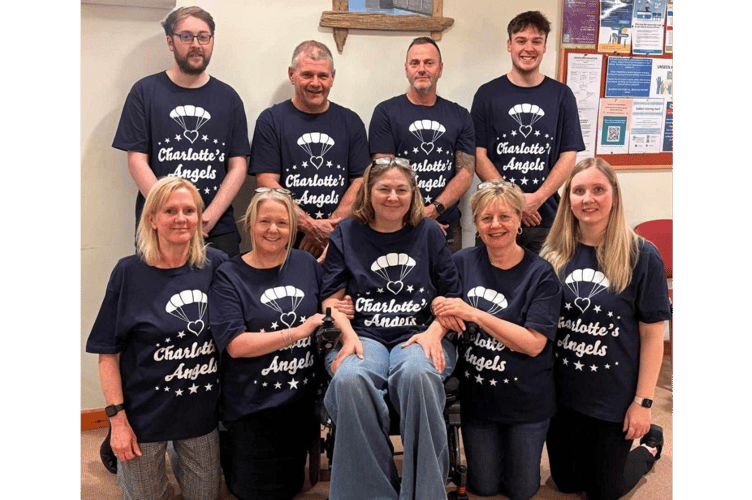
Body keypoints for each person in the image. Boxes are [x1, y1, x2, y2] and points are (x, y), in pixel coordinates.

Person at [321, 158, 461, 500]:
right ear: (368, 192)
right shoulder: (346, 232)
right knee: (350, 378)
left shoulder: (429, 232)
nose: (393, 197)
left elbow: (452, 295)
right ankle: (371, 493)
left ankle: (424, 493)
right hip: (364, 335)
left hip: (418, 334)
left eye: (402, 189)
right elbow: (329, 300)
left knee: (417, 373)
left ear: (413, 194)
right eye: (384, 188)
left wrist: (434, 333)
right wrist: (348, 336)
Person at [86, 177, 228, 500]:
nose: (181, 218)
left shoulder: (216, 265)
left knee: (206, 496)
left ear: (199, 216)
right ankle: (117, 450)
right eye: (170, 210)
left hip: (198, 412)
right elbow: (107, 352)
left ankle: (178, 454)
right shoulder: (128, 272)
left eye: (189, 210)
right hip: (143, 416)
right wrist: (117, 421)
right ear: (152, 218)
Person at [540, 158, 670, 500]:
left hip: (613, 397)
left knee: (601, 491)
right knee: (566, 482)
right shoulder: (554, 254)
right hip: (563, 395)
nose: (588, 199)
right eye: (579, 190)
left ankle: (650, 447)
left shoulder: (642, 255)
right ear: (568, 198)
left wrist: (643, 403)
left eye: (598, 189)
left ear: (614, 195)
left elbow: (653, 335)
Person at [431, 181, 562, 500]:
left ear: (520, 220)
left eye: (504, 216)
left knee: (521, 491)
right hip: (479, 398)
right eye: (486, 218)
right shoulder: (461, 262)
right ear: (476, 223)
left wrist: (476, 315)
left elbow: (532, 344)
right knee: (484, 487)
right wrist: (438, 306)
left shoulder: (541, 273)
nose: (495, 225)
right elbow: (442, 305)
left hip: (527, 400)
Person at [208, 188, 325, 500]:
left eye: (282, 223)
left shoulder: (307, 264)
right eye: (265, 222)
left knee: (289, 488)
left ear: (293, 228)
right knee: (251, 492)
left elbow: (328, 308)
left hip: (297, 404)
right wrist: (298, 332)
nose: (273, 230)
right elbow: (236, 345)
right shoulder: (229, 275)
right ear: (250, 225)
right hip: (251, 407)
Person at [113, 5, 251, 257]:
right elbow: (136, 161)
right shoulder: (144, 92)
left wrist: (206, 219)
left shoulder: (229, 98)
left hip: (217, 229)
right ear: (170, 41)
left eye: (203, 36)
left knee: (223, 296)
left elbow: (238, 166)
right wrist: (172, 216)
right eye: (186, 36)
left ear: (211, 41)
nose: (196, 44)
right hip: (159, 229)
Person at [471, 10, 585, 254]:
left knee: (544, 289)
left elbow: (568, 155)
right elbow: (478, 156)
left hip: (545, 219)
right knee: (491, 290)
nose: (528, 48)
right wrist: (513, 201)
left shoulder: (562, 95)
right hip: (496, 217)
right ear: (509, 45)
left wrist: (536, 199)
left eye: (536, 41)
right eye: (521, 40)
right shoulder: (486, 94)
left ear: (545, 47)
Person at [249, 40, 370, 258]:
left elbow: (361, 181)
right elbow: (266, 182)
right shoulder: (271, 121)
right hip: (285, 241)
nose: (316, 83)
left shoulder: (351, 122)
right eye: (307, 75)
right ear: (292, 74)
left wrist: (329, 230)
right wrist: (309, 226)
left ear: (332, 76)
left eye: (323, 76)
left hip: (340, 240)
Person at [369, 37, 476, 253]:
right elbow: (383, 174)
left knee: (449, 287)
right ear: (406, 69)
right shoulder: (386, 113)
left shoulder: (460, 115)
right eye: (415, 63)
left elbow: (465, 173)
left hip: (446, 228)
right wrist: (416, 217)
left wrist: (433, 210)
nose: (422, 69)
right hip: (397, 226)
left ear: (440, 69)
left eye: (429, 63)